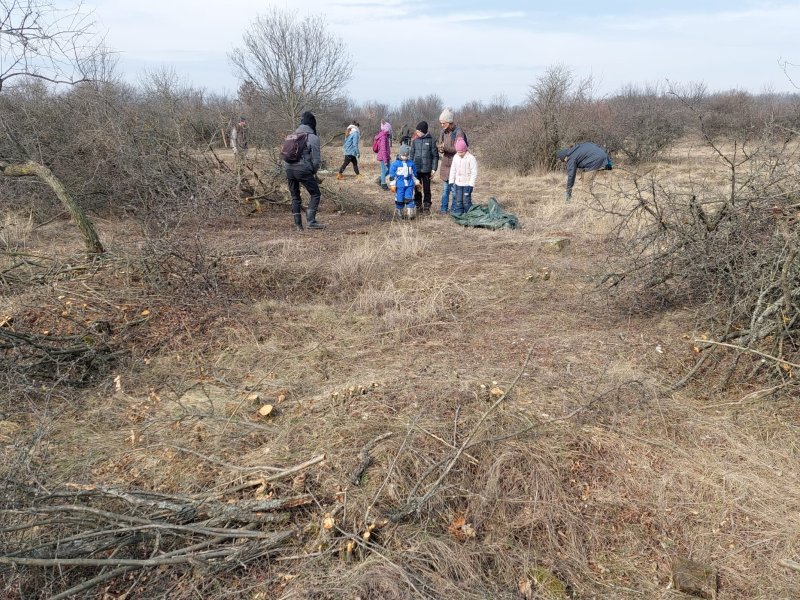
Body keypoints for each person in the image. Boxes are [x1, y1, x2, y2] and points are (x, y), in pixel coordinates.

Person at [285, 111, 324, 230]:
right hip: (303, 170)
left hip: (289, 169)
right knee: (315, 194)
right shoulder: (313, 137)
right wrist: (312, 172)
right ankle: (311, 221)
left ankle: (298, 226)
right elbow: (316, 160)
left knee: (295, 197)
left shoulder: (291, 135)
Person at [436, 107, 467, 214]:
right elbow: (441, 144)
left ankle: (454, 210)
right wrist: (440, 148)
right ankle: (443, 209)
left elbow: (460, 149)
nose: (442, 125)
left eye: (443, 123)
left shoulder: (459, 132)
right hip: (445, 164)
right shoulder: (442, 132)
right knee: (445, 190)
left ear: (449, 122)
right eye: (440, 123)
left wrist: (446, 148)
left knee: (454, 190)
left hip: (456, 164)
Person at [409, 121, 439, 214]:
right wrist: (410, 167)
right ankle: (418, 205)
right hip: (416, 170)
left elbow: (435, 156)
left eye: (418, 131)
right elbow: (411, 155)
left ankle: (426, 206)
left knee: (427, 189)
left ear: (423, 131)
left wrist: (434, 169)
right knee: (417, 188)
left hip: (427, 170)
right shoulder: (414, 141)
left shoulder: (431, 141)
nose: (416, 133)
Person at [448, 138, 477, 216]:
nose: (459, 154)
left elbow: (474, 173)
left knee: (466, 201)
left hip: (467, 184)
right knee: (458, 201)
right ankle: (459, 215)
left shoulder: (471, 158)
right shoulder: (456, 157)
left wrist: (471, 185)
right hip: (458, 184)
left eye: (461, 152)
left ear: (465, 150)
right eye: (458, 152)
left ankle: (470, 215)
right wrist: (451, 181)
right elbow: (453, 170)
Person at [388, 144, 419, 219]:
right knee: (399, 198)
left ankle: (410, 213)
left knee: (409, 198)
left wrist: (416, 181)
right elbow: (392, 176)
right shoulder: (395, 164)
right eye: (403, 155)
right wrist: (392, 185)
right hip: (400, 185)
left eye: (406, 156)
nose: (405, 157)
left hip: (409, 184)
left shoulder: (411, 163)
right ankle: (400, 213)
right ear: (400, 154)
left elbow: (413, 174)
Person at [373, 120, 392, 190]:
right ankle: (383, 184)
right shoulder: (383, 137)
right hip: (383, 157)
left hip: (385, 156)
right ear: (387, 129)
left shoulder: (385, 136)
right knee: (384, 170)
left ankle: (379, 179)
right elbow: (383, 149)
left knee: (390, 169)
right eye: (389, 129)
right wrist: (385, 160)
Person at [231, 116, 248, 185]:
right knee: (238, 162)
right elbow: (233, 138)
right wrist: (234, 147)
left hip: (243, 147)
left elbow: (245, 140)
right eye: (243, 121)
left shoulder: (244, 128)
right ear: (241, 121)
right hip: (238, 147)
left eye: (245, 121)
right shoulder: (236, 128)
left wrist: (247, 150)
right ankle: (237, 176)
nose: (245, 122)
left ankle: (241, 176)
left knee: (242, 162)